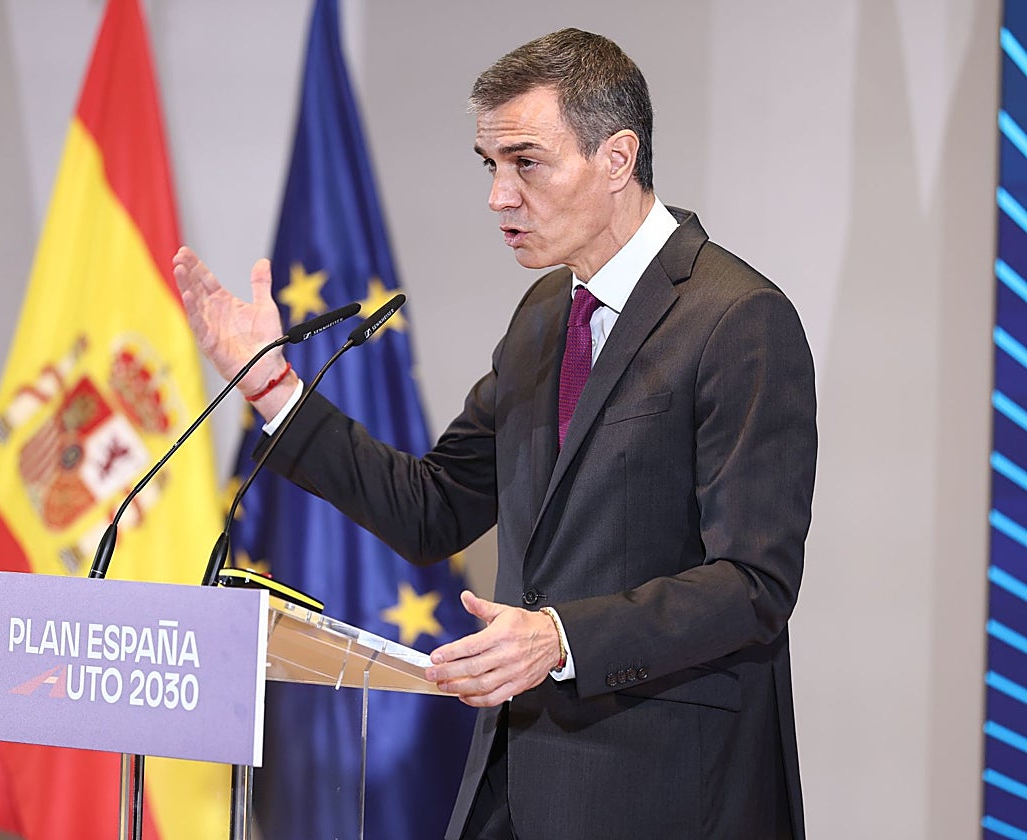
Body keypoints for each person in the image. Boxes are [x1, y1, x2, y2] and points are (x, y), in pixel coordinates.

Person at [175, 27, 816, 840]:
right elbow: (431, 509)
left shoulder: (737, 318)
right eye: (491, 167)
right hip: (514, 788)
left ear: (617, 158)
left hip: (668, 794)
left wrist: (560, 638)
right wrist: (273, 387)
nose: (498, 197)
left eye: (526, 163)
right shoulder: (546, 315)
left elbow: (753, 584)